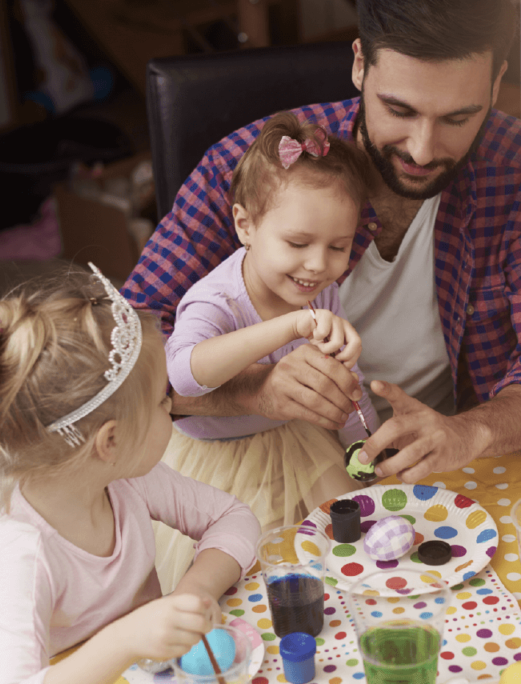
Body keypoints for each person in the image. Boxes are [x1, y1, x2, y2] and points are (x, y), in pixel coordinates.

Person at [123, 0, 521, 484]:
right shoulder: (246, 172)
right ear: (359, 64)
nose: (422, 148)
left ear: (497, 83)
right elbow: (120, 357)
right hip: (264, 473)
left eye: (458, 118)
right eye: (399, 110)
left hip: (446, 467)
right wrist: (255, 392)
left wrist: (470, 432)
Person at [0, 267, 261, 684]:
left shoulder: (129, 480)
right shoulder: (20, 554)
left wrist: (192, 593)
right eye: (162, 402)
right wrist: (123, 641)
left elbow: (233, 517)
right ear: (110, 441)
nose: (172, 408)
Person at [154, 113, 379, 592]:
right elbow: (183, 375)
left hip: (299, 444)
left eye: (339, 246)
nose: (318, 265)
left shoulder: (321, 288)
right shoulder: (215, 299)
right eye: (298, 243)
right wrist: (289, 327)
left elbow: (344, 381)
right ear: (245, 225)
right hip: (217, 465)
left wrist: (371, 448)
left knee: (353, 542)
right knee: (253, 575)